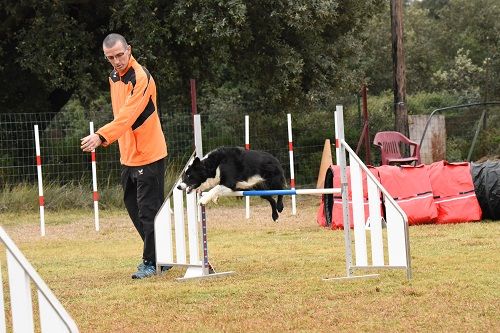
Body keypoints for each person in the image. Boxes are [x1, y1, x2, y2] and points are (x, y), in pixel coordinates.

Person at [81, 33, 169, 279]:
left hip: (149, 153)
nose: (117, 61)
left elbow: (127, 116)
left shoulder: (141, 78)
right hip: (128, 155)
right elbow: (119, 114)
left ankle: (152, 262)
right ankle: (161, 253)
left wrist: (101, 136)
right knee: (132, 207)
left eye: (120, 55)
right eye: (111, 57)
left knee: (148, 211)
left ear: (129, 49)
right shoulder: (113, 77)